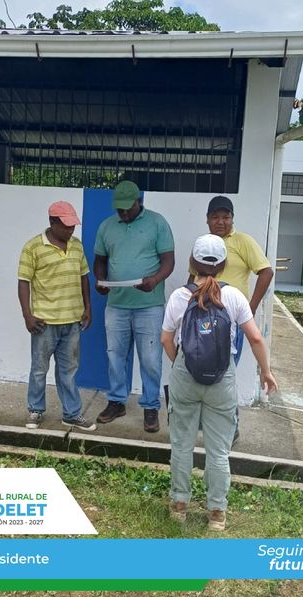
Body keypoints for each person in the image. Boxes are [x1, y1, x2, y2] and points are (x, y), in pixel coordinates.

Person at [161, 234, 277, 531]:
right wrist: (266, 372)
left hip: (185, 376)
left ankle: (179, 504)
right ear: (223, 265)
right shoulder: (234, 297)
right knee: (218, 451)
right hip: (222, 379)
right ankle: (216, 513)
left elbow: (166, 339)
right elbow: (255, 338)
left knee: (182, 445)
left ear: (192, 263)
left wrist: (180, 364)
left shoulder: (179, 297)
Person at [94, 180, 175, 433]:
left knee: (150, 359)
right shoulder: (107, 226)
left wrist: (155, 280)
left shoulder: (157, 223)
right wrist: (100, 280)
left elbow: (168, 261)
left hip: (149, 305)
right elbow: (100, 260)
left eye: (127, 208)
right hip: (116, 305)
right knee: (115, 356)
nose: (124, 213)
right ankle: (117, 402)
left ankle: (150, 406)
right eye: (119, 209)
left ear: (138, 202)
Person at [18, 201, 96, 431]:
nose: (71, 230)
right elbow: (24, 282)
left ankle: (71, 414)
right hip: (45, 321)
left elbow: (84, 277)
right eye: (66, 225)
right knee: (39, 369)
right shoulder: (33, 247)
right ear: (52, 222)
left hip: (72, 320)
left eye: (73, 226)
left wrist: (88, 307)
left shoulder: (77, 246)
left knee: (68, 371)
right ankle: (35, 410)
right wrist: (27, 316)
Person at [203, 195, 274, 363]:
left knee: (228, 365)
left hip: (232, 316)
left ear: (232, 219)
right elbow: (194, 277)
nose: (221, 222)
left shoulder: (243, 241)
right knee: (201, 362)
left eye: (226, 217)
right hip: (204, 314)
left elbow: (266, 272)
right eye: (215, 217)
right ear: (207, 219)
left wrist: (251, 308)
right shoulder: (203, 243)